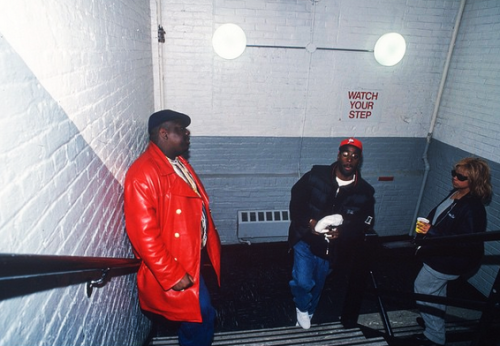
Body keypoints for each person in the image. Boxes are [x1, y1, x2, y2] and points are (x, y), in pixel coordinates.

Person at [124, 109, 221, 346]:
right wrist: (172, 274)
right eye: (181, 129)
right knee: (199, 317)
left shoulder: (177, 163)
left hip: (190, 258)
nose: (187, 134)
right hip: (176, 264)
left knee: (202, 314)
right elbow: (144, 236)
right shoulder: (143, 173)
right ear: (163, 134)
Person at [288, 137, 375, 329]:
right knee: (303, 282)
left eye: (354, 156)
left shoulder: (364, 191)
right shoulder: (316, 175)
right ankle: (302, 308)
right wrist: (309, 222)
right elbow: (296, 202)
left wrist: (343, 232)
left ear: (359, 159)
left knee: (318, 282)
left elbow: (366, 222)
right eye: (345, 154)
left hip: (331, 248)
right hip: (305, 239)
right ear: (338, 155)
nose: (349, 159)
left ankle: (310, 310)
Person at [413, 157, 492, 346]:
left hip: (447, 261)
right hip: (438, 253)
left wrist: (431, 231)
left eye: (461, 176)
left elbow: (467, 242)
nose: (455, 178)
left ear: (473, 181)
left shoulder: (473, 208)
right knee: (436, 293)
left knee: (422, 289)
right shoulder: (456, 193)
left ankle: (434, 335)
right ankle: (433, 321)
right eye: (454, 173)